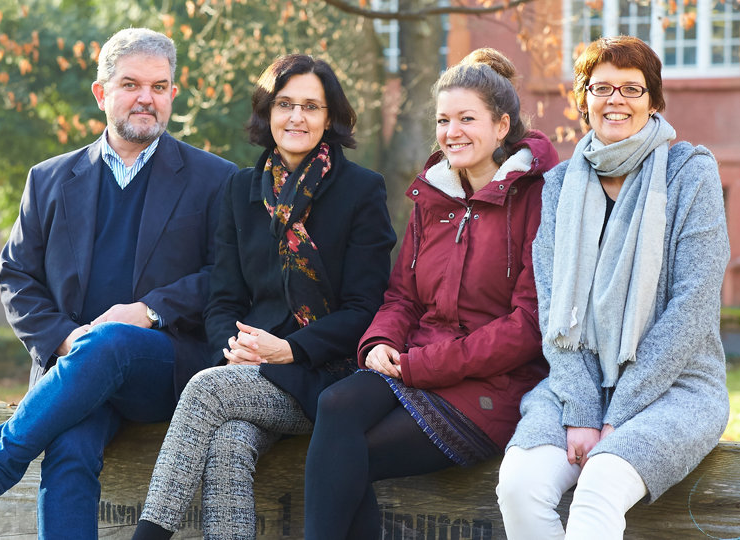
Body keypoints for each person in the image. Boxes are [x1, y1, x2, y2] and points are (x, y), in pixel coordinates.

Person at [0, 28, 237, 537]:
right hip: (74, 372)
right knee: (66, 451)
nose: (146, 98)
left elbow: (228, 278)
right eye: (131, 84)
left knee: (114, 341)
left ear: (173, 93)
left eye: (159, 86)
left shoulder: (216, 179)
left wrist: (149, 311)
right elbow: (17, 276)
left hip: (166, 369)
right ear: (101, 92)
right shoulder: (49, 179)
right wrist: (66, 339)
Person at [131, 53, 396, 540]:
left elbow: (367, 311)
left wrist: (290, 349)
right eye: (285, 104)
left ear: (330, 117)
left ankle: (147, 535)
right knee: (229, 444)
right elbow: (223, 300)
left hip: (327, 376)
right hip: (250, 371)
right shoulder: (240, 190)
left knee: (205, 390)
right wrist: (229, 354)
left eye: (311, 107)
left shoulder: (361, 191)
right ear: (266, 112)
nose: (297, 117)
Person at [304, 49, 559, 539]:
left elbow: (529, 326)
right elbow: (402, 295)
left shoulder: (538, 198)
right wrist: (379, 343)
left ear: (502, 126)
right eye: (444, 120)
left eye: (467, 118)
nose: (452, 132)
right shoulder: (434, 196)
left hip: (490, 388)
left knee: (350, 456)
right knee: (335, 407)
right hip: (414, 365)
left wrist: (422, 364)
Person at [496, 36, 730, 539]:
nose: (616, 100)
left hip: (677, 387)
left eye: (632, 88)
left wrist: (619, 413)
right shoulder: (559, 186)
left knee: (599, 485)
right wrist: (583, 409)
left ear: (653, 100)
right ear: (584, 101)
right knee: (519, 486)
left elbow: (692, 307)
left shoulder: (692, 173)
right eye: (602, 87)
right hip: (576, 384)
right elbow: (554, 303)